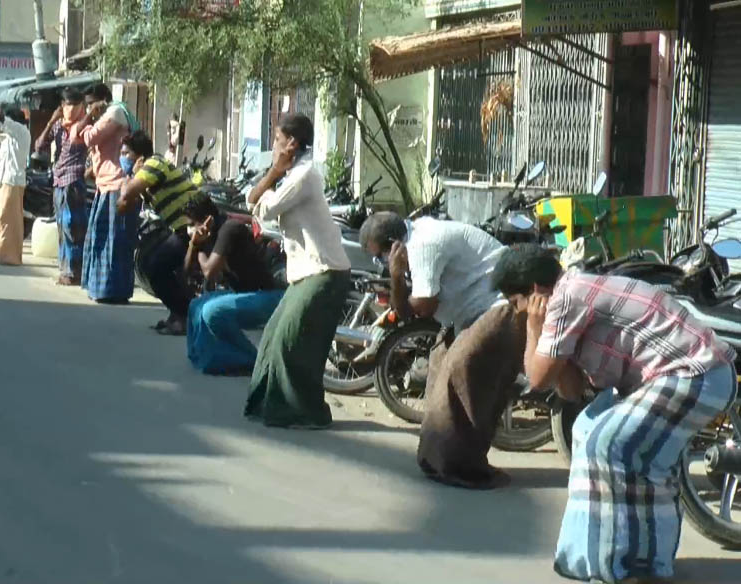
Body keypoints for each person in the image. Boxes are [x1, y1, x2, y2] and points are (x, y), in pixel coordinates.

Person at [493, 244, 736, 584]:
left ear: (533, 291)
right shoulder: (570, 296)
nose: (516, 312)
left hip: (695, 373)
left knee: (607, 446)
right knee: (588, 432)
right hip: (686, 376)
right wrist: (558, 355)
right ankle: (644, 559)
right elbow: (570, 390)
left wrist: (534, 328)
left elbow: (536, 377)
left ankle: (619, 565)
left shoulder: (567, 296)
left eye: (515, 303)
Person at [360, 211, 519, 489]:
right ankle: (436, 458)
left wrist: (396, 275)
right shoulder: (412, 241)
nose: (382, 263)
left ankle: (465, 466)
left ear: (393, 245)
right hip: (467, 313)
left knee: (461, 368)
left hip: (498, 303)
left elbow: (420, 308)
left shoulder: (423, 245)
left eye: (381, 256)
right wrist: (397, 276)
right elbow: (404, 311)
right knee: (438, 362)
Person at [243, 113, 350, 429]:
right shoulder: (291, 176)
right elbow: (255, 201)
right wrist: (274, 175)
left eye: (277, 140)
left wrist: (274, 171)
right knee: (274, 337)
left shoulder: (303, 176)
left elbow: (263, 205)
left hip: (324, 272)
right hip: (304, 274)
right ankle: (266, 406)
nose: (274, 146)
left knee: (291, 344)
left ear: (292, 143)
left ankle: (303, 412)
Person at [184, 195, 284, 375]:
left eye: (193, 224)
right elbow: (187, 270)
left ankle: (255, 361)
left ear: (208, 220)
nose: (190, 229)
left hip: (267, 296)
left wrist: (199, 245)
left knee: (212, 312)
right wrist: (194, 244)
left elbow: (209, 272)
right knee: (195, 305)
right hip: (244, 295)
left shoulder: (229, 229)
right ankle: (200, 356)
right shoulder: (210, 233)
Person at [117, 130, 196, 334]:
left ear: (140, 157)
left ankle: (185, 317)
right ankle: (176, 313)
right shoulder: (143, 173)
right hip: (179, 229)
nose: (123, 158)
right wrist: (130, 179)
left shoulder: (154, 164)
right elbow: (122, 206)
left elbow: (125, 194)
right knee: (150, 262)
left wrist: (129, 179)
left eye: (126, 154)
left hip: (193, 228)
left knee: (156, 266)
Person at [81, 82, 137, 303]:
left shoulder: (114, 112)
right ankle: (104, 288)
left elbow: (88, 138)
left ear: (102, 100)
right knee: (102, 238)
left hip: (116, 185)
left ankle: (112, 291)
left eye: (90, 104)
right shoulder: (113, 113)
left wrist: (86, 121)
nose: (88, 109)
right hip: (106, 185)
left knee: (113, 240)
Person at [34, 87, 89, 284]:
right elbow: (39, 146)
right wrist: (50, 122)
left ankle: (74, 272)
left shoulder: (84, 125)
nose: (70, 109)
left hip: (73, 181)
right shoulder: (59, 126)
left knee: (72, 228)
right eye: (67, 104)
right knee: (62, 228)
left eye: (75, 104)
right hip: (58, 181)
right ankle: (65, 270)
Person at [0, 104, 30, 265]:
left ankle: (9, 256)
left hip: (12, 180)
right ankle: (0, 253)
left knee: (7, 220)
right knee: (1, 219)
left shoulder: (20, 131)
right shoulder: (11, 135)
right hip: (4, 180)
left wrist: (1, 104)